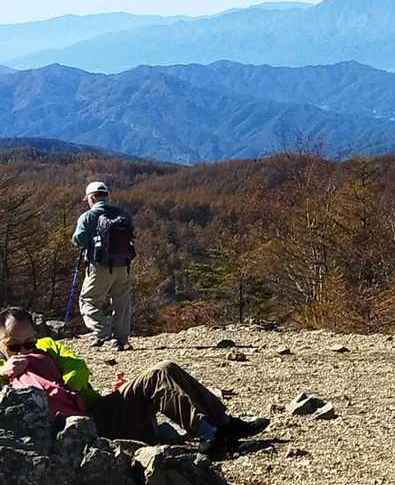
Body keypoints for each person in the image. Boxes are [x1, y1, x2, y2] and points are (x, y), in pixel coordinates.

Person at [0, 306, 269, 453]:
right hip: (78, 430)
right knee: (158, 379)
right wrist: (5, 372)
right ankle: (212, 435)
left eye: (29, 343)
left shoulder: (47, 347)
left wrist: (69, 388)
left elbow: (79, 369)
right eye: (14, 346)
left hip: (97, 410)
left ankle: (221, 424)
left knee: (163, 369)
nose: (24, 351)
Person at [71, 181, 134, 351]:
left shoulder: (88, 216)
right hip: (123, 265)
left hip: (99, 266)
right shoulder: (123, 214)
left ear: (91, 197)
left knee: (89, 300)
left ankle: (102, 332)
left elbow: (78, 240)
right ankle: (121, 340)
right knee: (121, 302)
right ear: (107, 196)